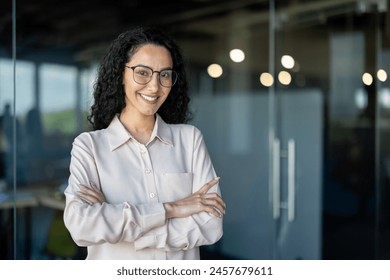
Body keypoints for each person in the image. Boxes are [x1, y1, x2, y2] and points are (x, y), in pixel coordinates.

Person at [63, 26, 225, 260]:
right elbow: (82, 227)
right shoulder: (89, 147)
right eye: (142, 72)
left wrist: (116, 221)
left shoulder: (189, 140)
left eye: (164, 74)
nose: (154, 86)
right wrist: (172, 209)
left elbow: (211, 225)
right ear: (121, 74)